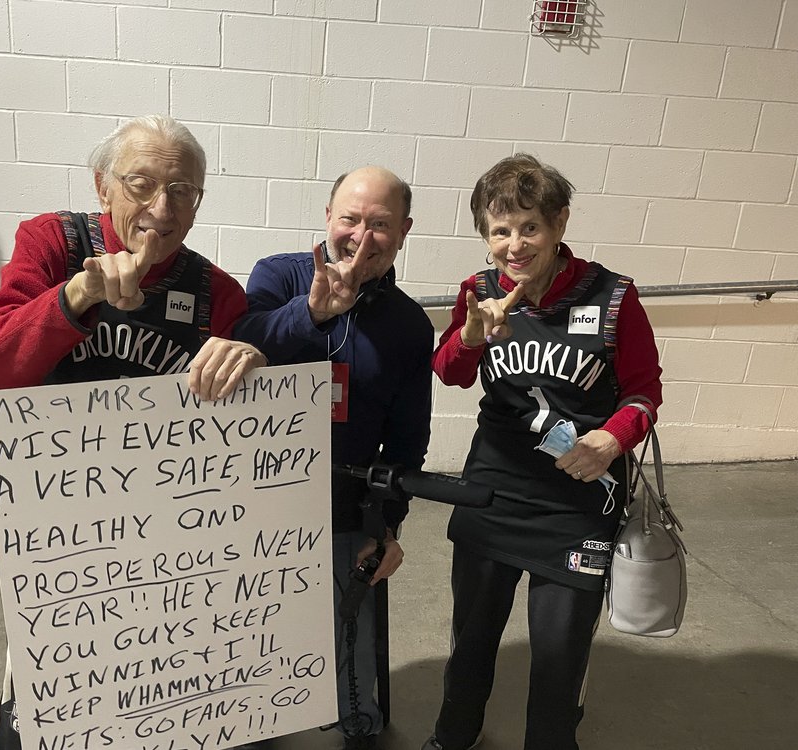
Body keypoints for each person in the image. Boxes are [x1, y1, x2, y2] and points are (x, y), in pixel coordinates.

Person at [0, 114, 267, 750]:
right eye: (141, 183)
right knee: (42, 715)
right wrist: (72, 297)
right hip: (54, 547)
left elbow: (247, 428)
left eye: (182, 190)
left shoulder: (217, 293)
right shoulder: (53, 244)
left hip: (168, 552)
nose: (162, 205)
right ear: (103, 187)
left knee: (154, 706)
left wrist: (252, 363)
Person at [421, 154, 663, 750]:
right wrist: (472, 334)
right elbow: (450, 373)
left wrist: (613, 438)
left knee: (558, 658)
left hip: (578, 503)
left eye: (529, 227)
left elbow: (643, 390)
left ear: (559, 223)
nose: (514, 244)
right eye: (499, 231)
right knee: (471, 640)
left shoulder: (612, 296)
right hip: (492, 491)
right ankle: (453, 736)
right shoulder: (478, 293)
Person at [233, 166, 434, 750]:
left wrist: (388, 527)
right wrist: (313, 314)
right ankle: (248, 725)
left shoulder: (408, 325)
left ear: (404, 232)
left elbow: (407, 439)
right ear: (327, 217)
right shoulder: (278, 276)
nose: (361, 237)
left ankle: (359, 725)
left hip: (345, 508)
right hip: (256, 505)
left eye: (380, 224)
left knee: (349, 642)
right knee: (250, 630)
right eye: (350, 218)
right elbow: (242, 341)